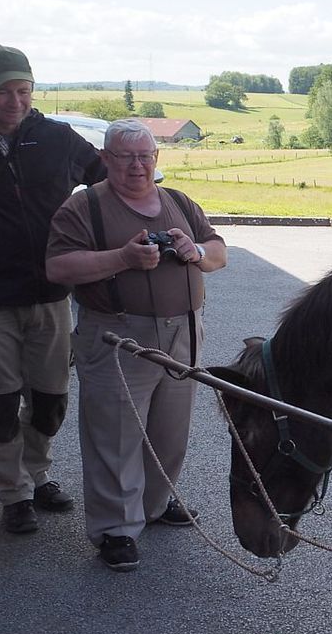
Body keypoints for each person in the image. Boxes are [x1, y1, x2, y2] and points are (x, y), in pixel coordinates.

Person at [46, 119, 227, 572]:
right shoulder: (83, 207)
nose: (137, 165)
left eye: (145, 156)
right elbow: (59, 267)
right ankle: (116, 529)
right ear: (105, 158)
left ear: (156, 157)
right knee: (116, 435)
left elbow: (218, 251)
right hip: (117, 334)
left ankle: (154, 503)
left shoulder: (179, 201)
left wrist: (196, 251)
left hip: (183, 333)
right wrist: (123, 259)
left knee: (169, 430)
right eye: (125, 157)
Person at [0, 44, 106, 534]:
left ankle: (37, 474)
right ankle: (15, 494)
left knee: (50, 399)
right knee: (2, 402)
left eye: (24, 90)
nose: (16, 101)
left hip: (50, 293)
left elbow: (107, 182)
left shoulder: (56, 137)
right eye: (4, 92)